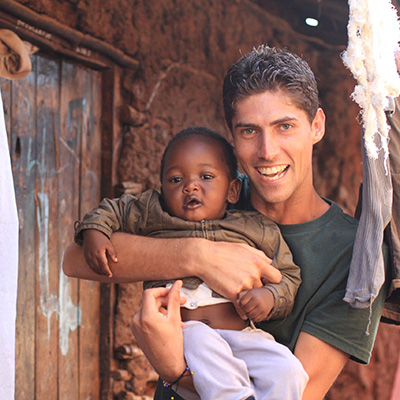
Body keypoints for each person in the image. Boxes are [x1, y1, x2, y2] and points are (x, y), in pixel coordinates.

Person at [63, 45, 390, 400]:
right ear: (231, 138)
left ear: (316, 126)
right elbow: (76, 259)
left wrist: (175, 369)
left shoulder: (356, 255)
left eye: (285, 126)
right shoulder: (209, 198)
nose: (267, 150)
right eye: (250, 131)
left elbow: (302, 391)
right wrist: (197, 255)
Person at [74, 126, 307, 400]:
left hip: (244, 336)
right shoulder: (154, 214)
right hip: (186, 334)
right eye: (175, 180)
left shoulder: (256, 229)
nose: (190, 186)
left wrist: (270, 296)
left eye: (206, 176)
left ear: (232, 190)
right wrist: (95, 231)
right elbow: (114, 209)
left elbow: (288, 277)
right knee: (202, 344)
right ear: (161, 190)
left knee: (288, 369)